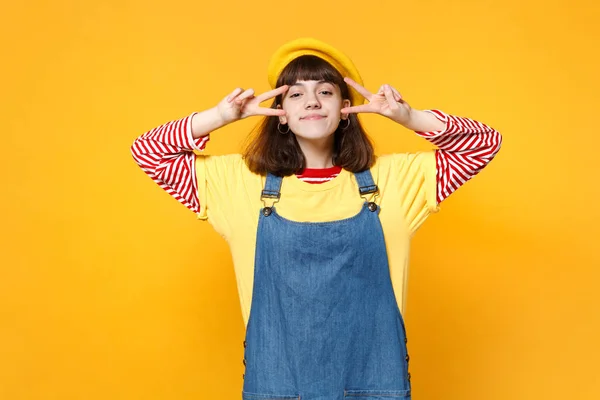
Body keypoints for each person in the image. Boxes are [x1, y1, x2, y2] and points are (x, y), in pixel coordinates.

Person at [130, 38, 502, 400]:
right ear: (280, 111)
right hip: (277, 389)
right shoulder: (237, 184)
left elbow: (484, 143)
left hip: (376, 388)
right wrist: (220, 117)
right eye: (295, 93)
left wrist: (408, 116)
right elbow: (148, 152)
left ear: (345, 107)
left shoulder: (397, 181)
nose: (311, 101)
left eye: (325, 91)